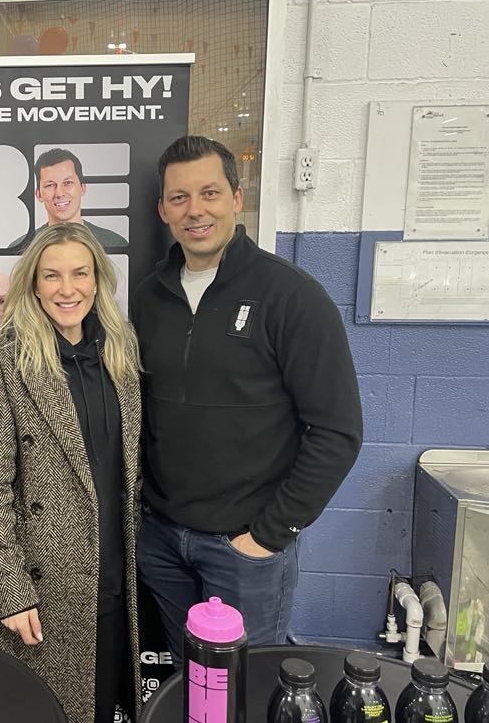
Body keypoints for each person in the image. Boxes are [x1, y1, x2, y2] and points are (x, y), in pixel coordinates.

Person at [131, 135, 363, 663]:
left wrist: (267, 535)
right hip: (164, 542)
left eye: (209, 193)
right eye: (180, 198)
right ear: (162, 208)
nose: (195, 211)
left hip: (245, 549)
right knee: (186, 687)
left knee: (242, 692)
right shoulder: (149, 297)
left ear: (237, 198)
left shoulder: (291, 296)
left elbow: (337, 431)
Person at [0, 222, 142, 723]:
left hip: (113, 571)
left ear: (97, 279)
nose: (67, 289)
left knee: (106, 704)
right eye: (52, 276)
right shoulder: (8, 355)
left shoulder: (120, 349)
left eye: (80, 273)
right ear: (33, 283)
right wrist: (11, 589)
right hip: (41, 584)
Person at [9, 147, 129, 249]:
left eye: (68, 183)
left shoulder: (115, 243)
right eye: (50, 185)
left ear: (82, 187)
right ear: (39, 194)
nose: (59, 193)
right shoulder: (22, 249)